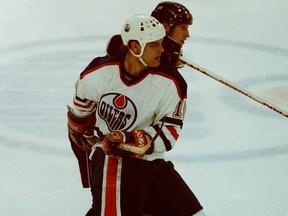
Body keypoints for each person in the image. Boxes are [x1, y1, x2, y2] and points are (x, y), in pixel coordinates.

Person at [67, 12, 204, 216]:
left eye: (161, 43)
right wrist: (87, 135)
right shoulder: (100, 73)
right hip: (112, 159)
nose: (162, 49)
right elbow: (80, 111)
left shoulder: (171, 83)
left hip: (151, 163)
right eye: (154, 45)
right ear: (134, 47)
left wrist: (127, 138)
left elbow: (168, 135)